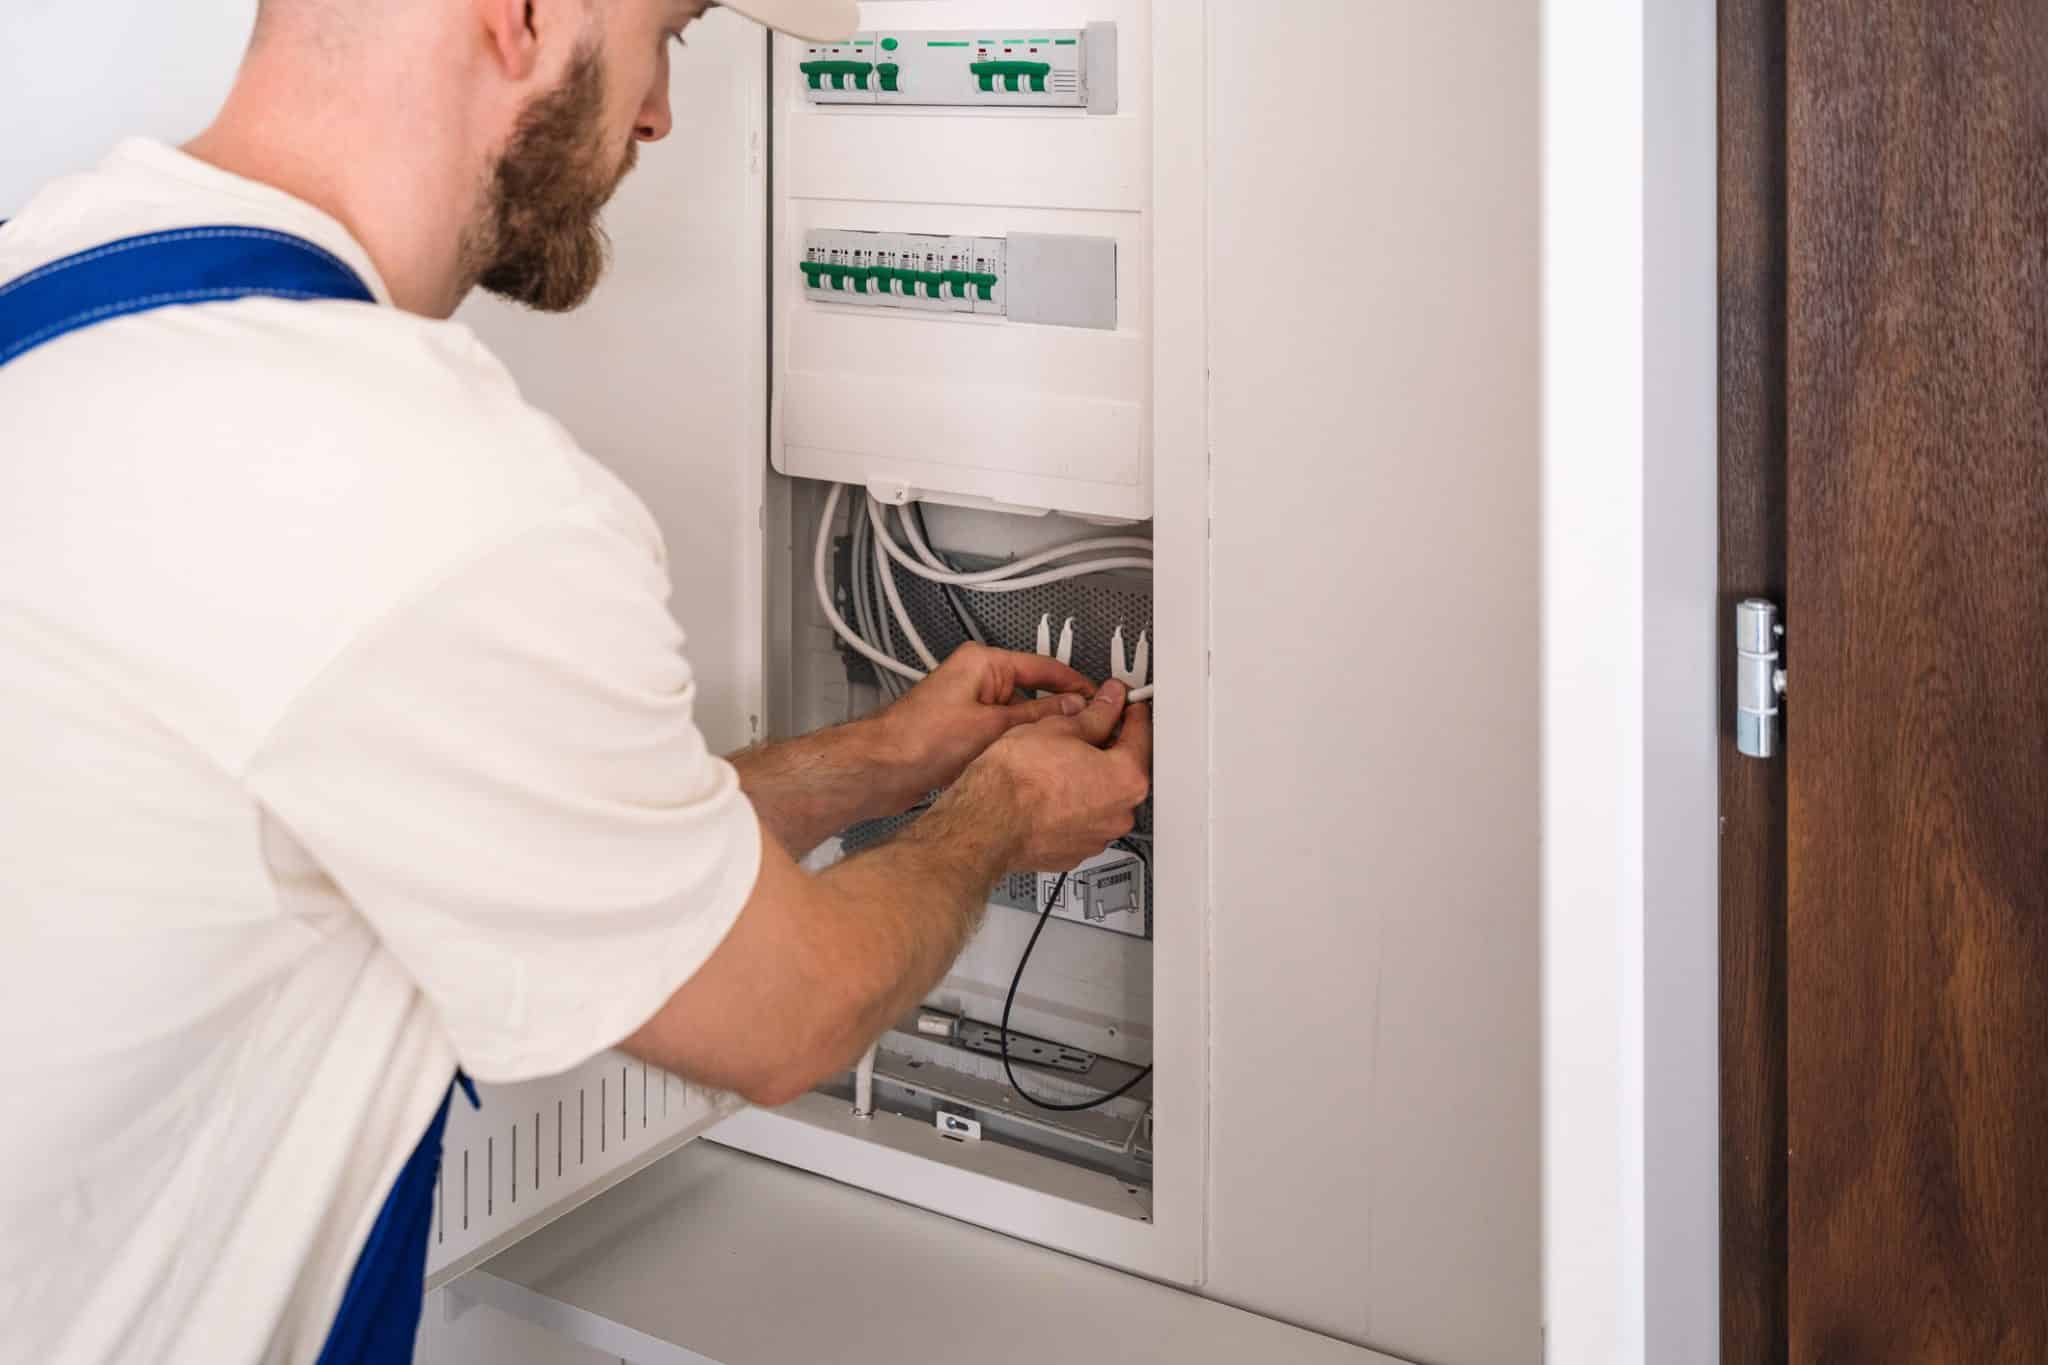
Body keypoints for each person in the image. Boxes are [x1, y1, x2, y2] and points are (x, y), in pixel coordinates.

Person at [0, 0, 1154, 1360]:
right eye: (669, 31)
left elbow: (484, 806)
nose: (661, 110)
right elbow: (791, 1013)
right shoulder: (439, 497)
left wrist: (885, 762)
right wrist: (1004, 815)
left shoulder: (58, 271)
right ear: (524, 14)